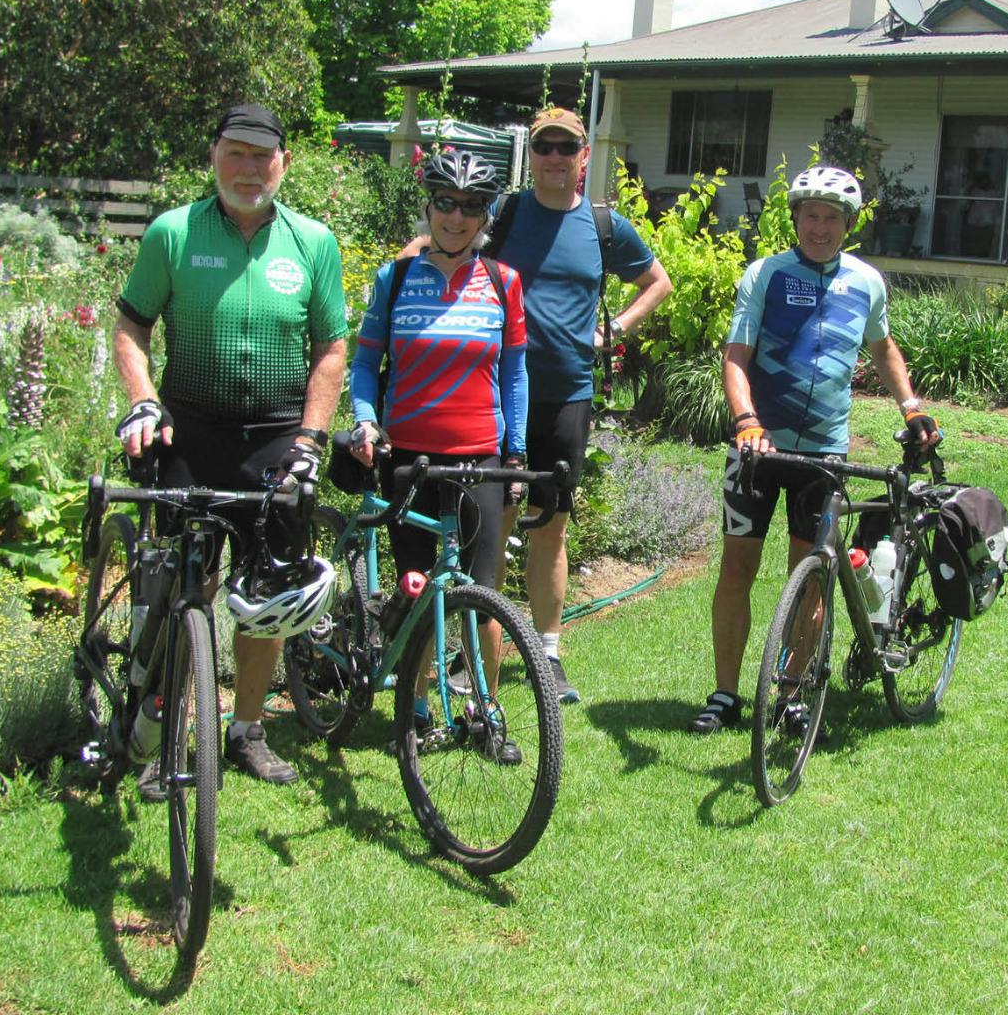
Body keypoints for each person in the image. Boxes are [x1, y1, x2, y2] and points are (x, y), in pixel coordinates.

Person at [114, 101, 348, 790]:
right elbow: (131, 325)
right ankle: (162, 728)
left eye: (262, 156)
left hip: (276, 440)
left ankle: (246, 729)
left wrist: (311, 437)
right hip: (191, 431)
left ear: (285, 164)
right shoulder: (173, 233)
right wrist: (142, 399)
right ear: (213, 155)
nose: (249, 169)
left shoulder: (313, 242)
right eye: (236, 153)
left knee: (268, 589)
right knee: (181, 585)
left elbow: (332, 347)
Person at [688, 165, 941, 734]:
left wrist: (911, 406)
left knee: (811, 572)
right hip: (757, 448)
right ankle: (726, 694)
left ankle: (792, 693)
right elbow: (736, 356)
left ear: (848, 224)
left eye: (831, 218)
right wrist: (746, 419)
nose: (819, 227)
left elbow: (883, 349)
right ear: (795, 218)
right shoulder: (766, 274)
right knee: (737, 569)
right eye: (810, 216)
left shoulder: (868, 282)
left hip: (824, 452)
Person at [347, 150, 528, 760]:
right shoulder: (394, 278)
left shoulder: (503, 283)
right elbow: (366, 362)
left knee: (485, 595)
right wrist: (366, 419)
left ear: (486, 215)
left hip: (480, 455)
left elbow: (514, 374)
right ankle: (417, 709)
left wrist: (518, 451)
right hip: (411, 456)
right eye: (446, 203)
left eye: (471, 206)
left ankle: (486, 712)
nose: (457, 216)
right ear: (428, 205)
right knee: (418, 586)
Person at [487, 106, 670, 703]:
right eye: (545, 147)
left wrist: (610, 330)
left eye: (567, 147)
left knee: (551, 528)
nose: (556, 158)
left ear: (583, 156)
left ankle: (547, 653)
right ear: (532, 155)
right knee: (493, 527)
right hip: (493, 392)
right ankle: (474, 650)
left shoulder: (602, 225)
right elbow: (446, 247)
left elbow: (657, 284)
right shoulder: (504, 214)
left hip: (567, 393)